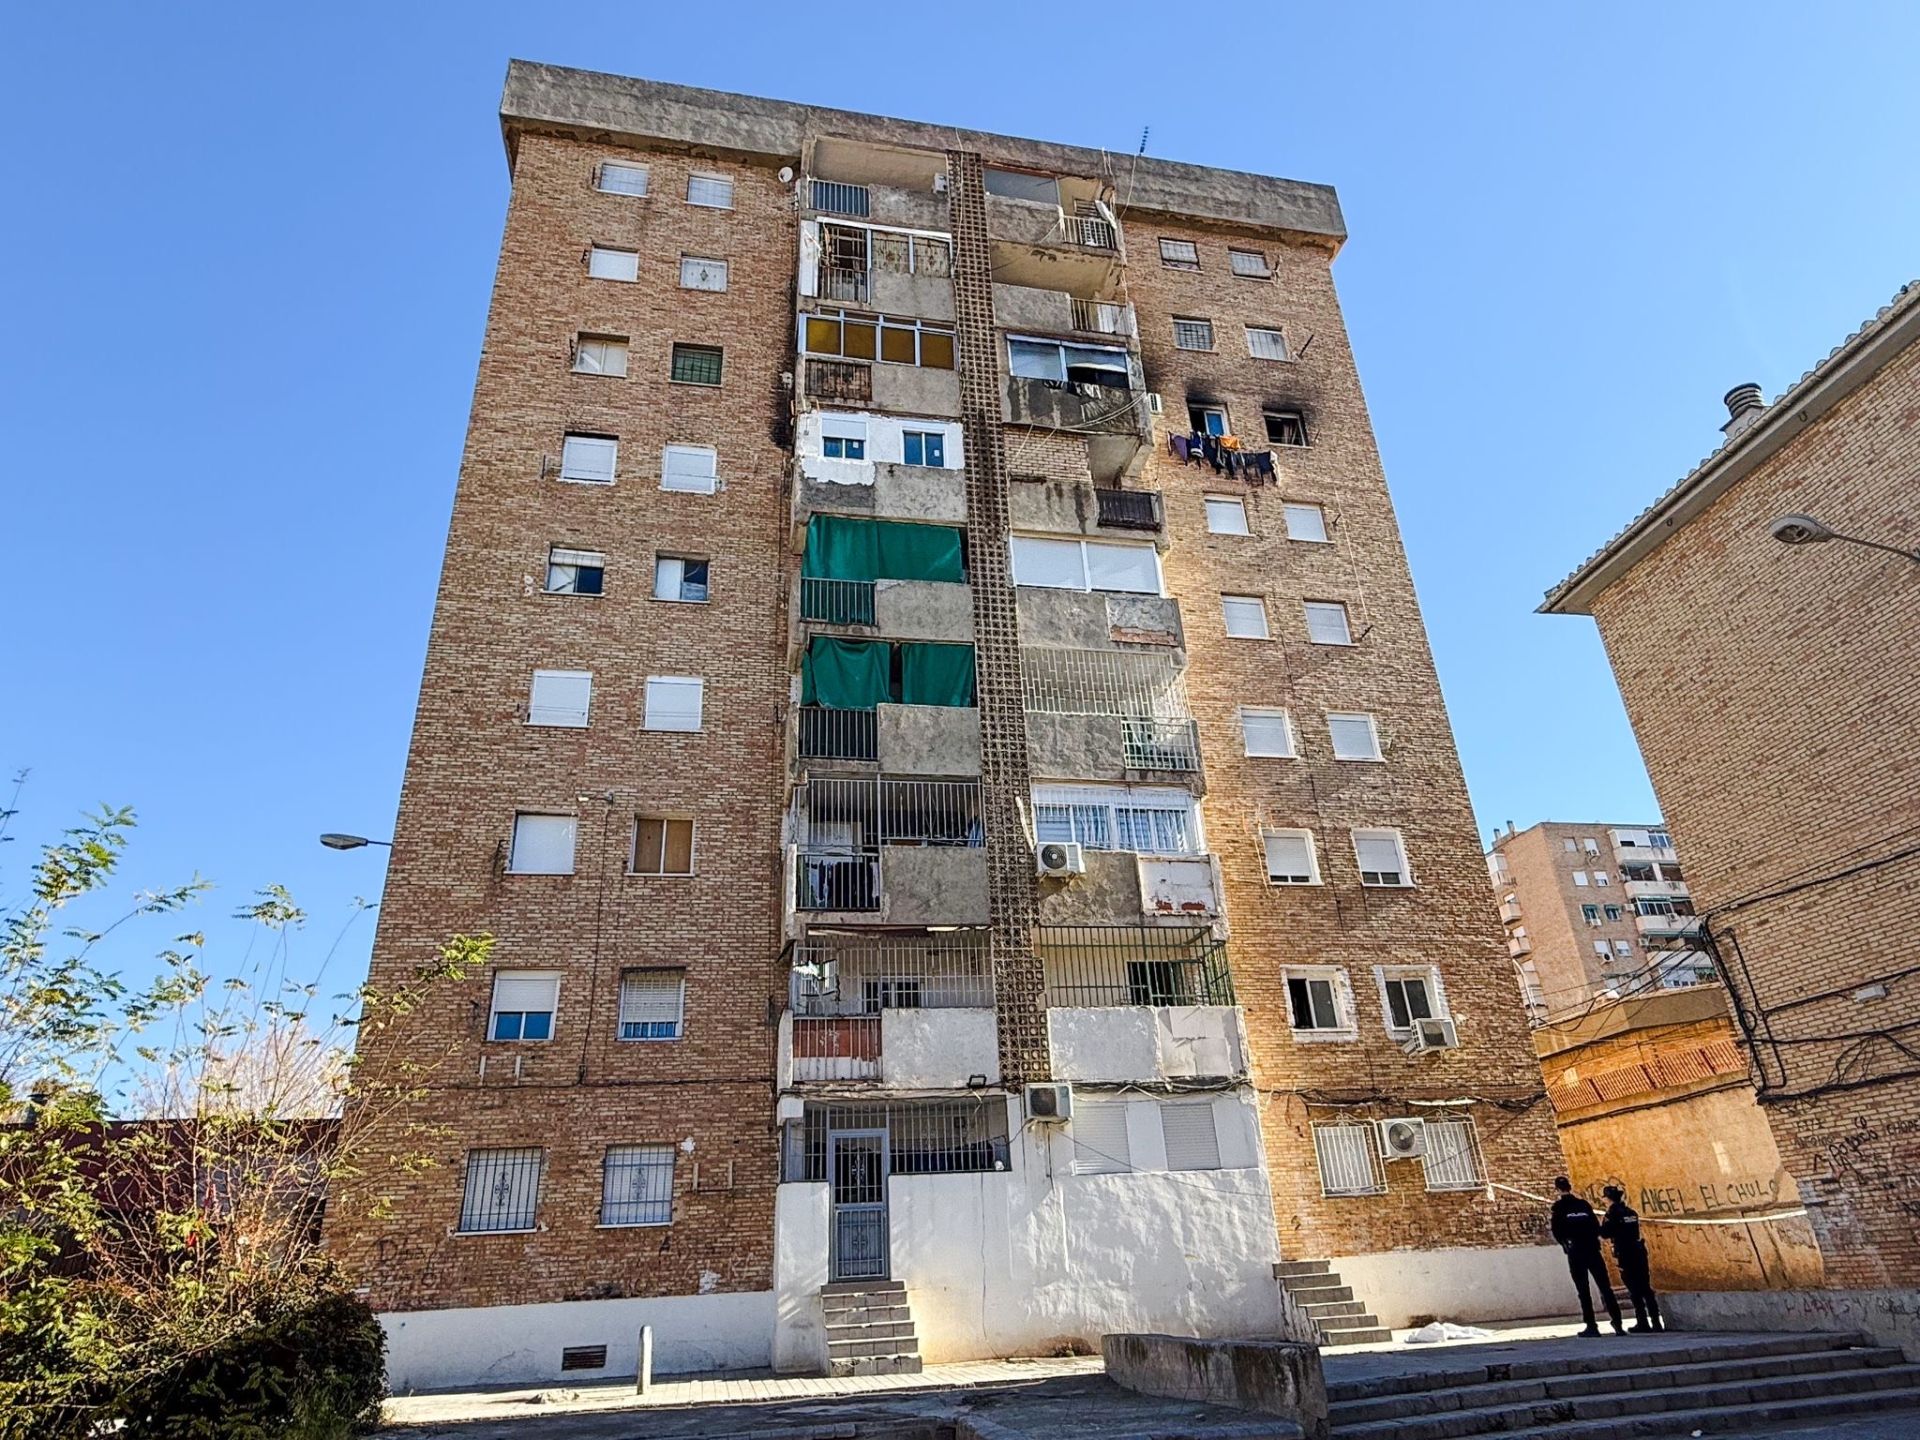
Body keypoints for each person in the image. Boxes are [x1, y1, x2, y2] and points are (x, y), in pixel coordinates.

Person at [1550, 1176, 1624, 1336]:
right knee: (1605, 1288)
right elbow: (1596, 1226)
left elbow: (1557, 1231)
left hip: (1576, 1251)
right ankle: (1617, 1324)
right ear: (1570, 1187)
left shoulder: (1558, 1208)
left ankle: (1591, 1326)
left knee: (1583, 1290)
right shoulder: (1583, 1205)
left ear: (1557, 1190)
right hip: (1592, 1249)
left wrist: (1566, 1244)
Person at [1600, 1184, 1663, 1332]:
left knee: (1634, 1289)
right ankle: (1656, 1322)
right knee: (1646, 1288)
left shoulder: (1612, 1215)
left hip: (1626, 1253)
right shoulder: (1631, 1212)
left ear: (1608, 1198)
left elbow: (1604, 1233)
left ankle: (1642, 1322)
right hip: (1639, 1251)